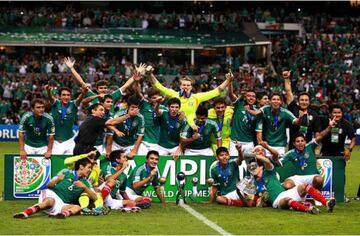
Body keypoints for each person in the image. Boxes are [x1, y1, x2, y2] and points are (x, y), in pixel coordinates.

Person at [147, 65, 232, 131]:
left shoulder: (196, 97)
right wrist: (150, 74)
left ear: (191, 87)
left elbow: (216, 91)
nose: (186, 87)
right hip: (175, 126)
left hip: (192, 127)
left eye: (188, 85)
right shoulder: (174, 94)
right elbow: (159, 86)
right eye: (184, 85)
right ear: (180, 86)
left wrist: (227, 80)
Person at [249, 152, 336, 214]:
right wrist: (260, 201)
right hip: (277, 201)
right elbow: (255, 200)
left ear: (260, 167)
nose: (253, 169)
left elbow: (267, 162)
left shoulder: (268, 173)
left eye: (254, 166)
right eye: (250, 167)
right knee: (287, 200)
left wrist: (257, 156)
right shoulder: (254, 184)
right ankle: (308, 209)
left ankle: (327, 203)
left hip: (285, 192)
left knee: (304, 186)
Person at [13, 158, 97, 219]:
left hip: (62, 203)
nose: (90, 170)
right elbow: (49, 185)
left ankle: (61, 215)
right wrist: (57, 179)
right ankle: (25, 213)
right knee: (50, 201)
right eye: (88, 167)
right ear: (81, 167)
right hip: (51, 194)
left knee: (77, 207)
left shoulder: (86, 183)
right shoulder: (66, 172)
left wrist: (85, 187)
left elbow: (95, 197)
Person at [279, 118, 337, 190]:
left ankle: (317, 198)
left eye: (302, 141)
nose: (300, 143)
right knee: (287, 185)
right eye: (298, 141)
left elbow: (321, 136)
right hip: (298, 177)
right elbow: (279, 162)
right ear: (294, 143)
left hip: (312, 177)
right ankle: (297, 198)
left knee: (319, 179)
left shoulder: (310, 146)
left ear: (305, 142)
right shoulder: (290, 153)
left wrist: (330, 126)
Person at [64, 58, 143, 109]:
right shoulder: (91, 95)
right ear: (97, 89)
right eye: (101, 88)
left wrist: (134, 76)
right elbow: (81, 82)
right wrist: (72, 68)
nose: (103, 90)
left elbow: (125, 85)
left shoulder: (113, 96)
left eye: (105, 88)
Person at [283, 70, 320, 149]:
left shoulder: (314, 114)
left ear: (309, 102)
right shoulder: (293, 108)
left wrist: (316, 147)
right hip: (293, 148)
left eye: (306, 100)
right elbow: (288, 92)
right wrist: (286, 78)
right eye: (302, 100)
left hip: (307, 149)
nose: (304, 102)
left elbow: (317, 132)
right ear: (298, 101)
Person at [46, 86, 86, 155]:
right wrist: (49, 91)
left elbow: (79, 99)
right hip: (56, 142)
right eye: (64, 95)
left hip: (69, 141)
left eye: (68, 95)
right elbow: (50, 98)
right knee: (56, 163)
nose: (66, 97)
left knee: (70, 163)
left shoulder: (73, 104)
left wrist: (83, 93)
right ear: (59, 96)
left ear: (70, 96)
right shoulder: (55, 103)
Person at [228, 79, 260, 154]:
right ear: (245, 97)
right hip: (235, 142)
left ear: (255, 99)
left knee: (250, 165)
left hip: (249, 143)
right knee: (234, 163)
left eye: (253, 96)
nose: (251, 98)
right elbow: (230, 94)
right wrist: (230, 81)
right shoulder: (239, 104)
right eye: (248, 96)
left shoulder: (257, 111)